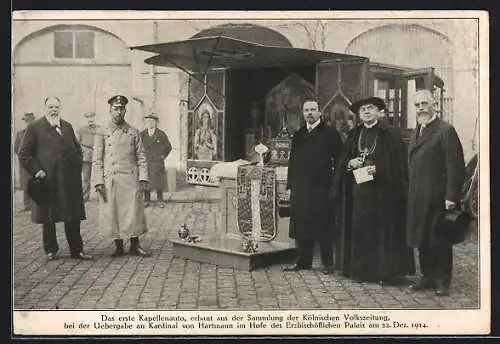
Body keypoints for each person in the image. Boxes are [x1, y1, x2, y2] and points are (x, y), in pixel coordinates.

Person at [332, 97, 415, 284]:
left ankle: (383, 273)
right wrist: (350, 163)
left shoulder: (390, 134)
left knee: (381, 233)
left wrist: (377, 169)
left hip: (383, 194)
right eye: (362, 110)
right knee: (360, 232)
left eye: (370, 109)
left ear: (379, 112)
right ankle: (360, 271)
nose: (366, 112)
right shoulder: (354, 134)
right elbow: (343, 162)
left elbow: (398, 164)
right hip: (359, 194)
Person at [17, 97, 93, 261]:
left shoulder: (67, 126)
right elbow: (23, 153)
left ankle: (77, 250)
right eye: (50, 107)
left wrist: (76, 166)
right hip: (48, 180)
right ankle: (51, 249)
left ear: (60, 108)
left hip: (69, 181)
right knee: (48, 216)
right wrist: (37, 171)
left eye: (57, 107)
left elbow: (77, 149)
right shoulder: (34, 127)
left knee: (73, 215)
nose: (54, 110)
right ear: (45, 108)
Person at [406, 89, 466, 297]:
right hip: (418, 195)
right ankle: (428, 276)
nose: (420, 108)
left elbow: (455, 166)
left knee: (439, 239)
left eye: (424, 103)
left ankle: (442, 280)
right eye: (417, 105)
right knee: (422, 238)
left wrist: (451, 196)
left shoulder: (445, 130)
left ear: (434, 105)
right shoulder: (418, 130)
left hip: (437, 196)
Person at [282, 99, 343, 275]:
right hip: (301, 188)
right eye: (306, 110)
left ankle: (328, 264)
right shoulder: (299, 134)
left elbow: (339, 158)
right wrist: (290, 185)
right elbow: (293, 161)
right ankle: (303, 261)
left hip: (321, 188)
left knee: (324, 226)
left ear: (319, 112)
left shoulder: (330, 133)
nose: (309, 113)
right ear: (303, 113)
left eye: (313, 110)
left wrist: (333, 183)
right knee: (302, 225)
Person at [92, 95, 151, 257]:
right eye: (115, 109)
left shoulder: (133, 132)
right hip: (111, 178)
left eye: (121, 109)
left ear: (125, 110)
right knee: (113, 212)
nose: (118, 112)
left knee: (133, 211)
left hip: (130, 178)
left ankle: (135, 244)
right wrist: (98, 181)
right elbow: (97, 159)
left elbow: (141, 157)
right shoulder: (102, 132)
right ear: (110, 110)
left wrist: (143, 178)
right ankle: (118, 245)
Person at [140, 114, 172, 208]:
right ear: (146, 123)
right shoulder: (142, 134)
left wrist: (162, 156)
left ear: (155, 122)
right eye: (148, 121)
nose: (150, 123)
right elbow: (139, 148)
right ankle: (146, 200)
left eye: (152, 121)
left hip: (158, 162)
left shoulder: (160, 134)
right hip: (147, 161)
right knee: (146, 181)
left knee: (159, 182)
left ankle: (160, 200)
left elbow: (168, 147)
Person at [14, 112, 36, 212]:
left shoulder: (37, 133)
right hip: (23, 164)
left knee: (35, 182)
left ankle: (35, 204)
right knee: (25, 183)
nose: (28, 123)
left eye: (30, 121)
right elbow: (16, 148)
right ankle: (27, 205)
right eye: (26, 121)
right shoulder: (20, 134)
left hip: (35, 162)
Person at [77, 112, 100, 202]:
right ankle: (85, 197)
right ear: (86, 119)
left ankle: (100, 197)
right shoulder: (81, 130)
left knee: (99, 177)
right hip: (86, 157)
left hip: (98, 156)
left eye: (92, 117)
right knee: (86, 178)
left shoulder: (99, 129)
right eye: (88, 118)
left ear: (95, 118)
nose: (90, 119)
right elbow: (77, 144)